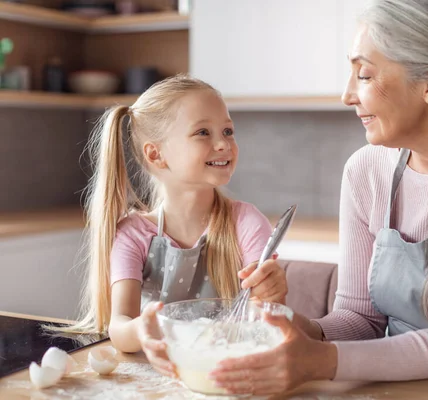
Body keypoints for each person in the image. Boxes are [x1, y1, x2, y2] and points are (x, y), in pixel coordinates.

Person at [208, 0, 428, 395]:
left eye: (363, 74)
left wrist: (320, 360)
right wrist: (297, 328)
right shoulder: (365, 171)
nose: (347, 95)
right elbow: (360, 319)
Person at [58, 75, 287, 378]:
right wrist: (141, 329)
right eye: (203, 132)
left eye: (228, 131)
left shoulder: (245, 222)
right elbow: (119, 325)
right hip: (157, 376)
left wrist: (273, 291)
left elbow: (264, 310)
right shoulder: (133, 235)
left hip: (227, 371)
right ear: (156, 154)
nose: (223, 144)